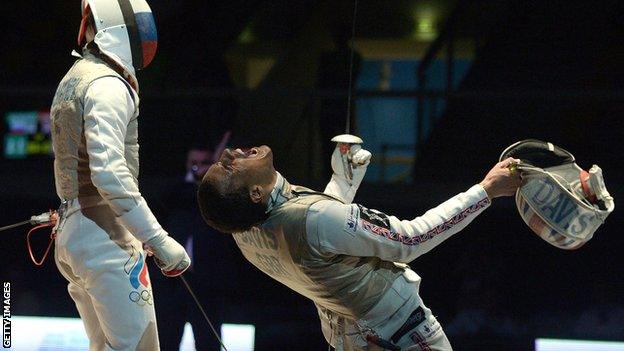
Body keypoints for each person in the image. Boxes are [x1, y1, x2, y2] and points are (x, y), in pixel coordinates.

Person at [196, 143, 522, 350]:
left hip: (351, 339)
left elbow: (318, 243)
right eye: (228, 167)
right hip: (399, 335)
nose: (227, 154)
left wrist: (343, 181)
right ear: (255, 193)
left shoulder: (244, 233)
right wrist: (486, 191)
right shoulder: (309, 218)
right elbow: (410, 239)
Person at [50, 1, 190, 350]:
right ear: (118, 29)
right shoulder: (108, 85)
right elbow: (109, 173)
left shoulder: (75, 78)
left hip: (73, 233)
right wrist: (160, 241)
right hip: (104, 238)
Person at [152, 136, 236, 351]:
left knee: (208, 341)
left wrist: (214, 174)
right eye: (193, 163)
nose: (198, 168)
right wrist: (193, 176)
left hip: (207, 283)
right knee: (167, 339)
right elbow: (169, 198)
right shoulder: (179, 192)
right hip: (173, 281)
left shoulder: (218, 195)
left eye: (204, 163)